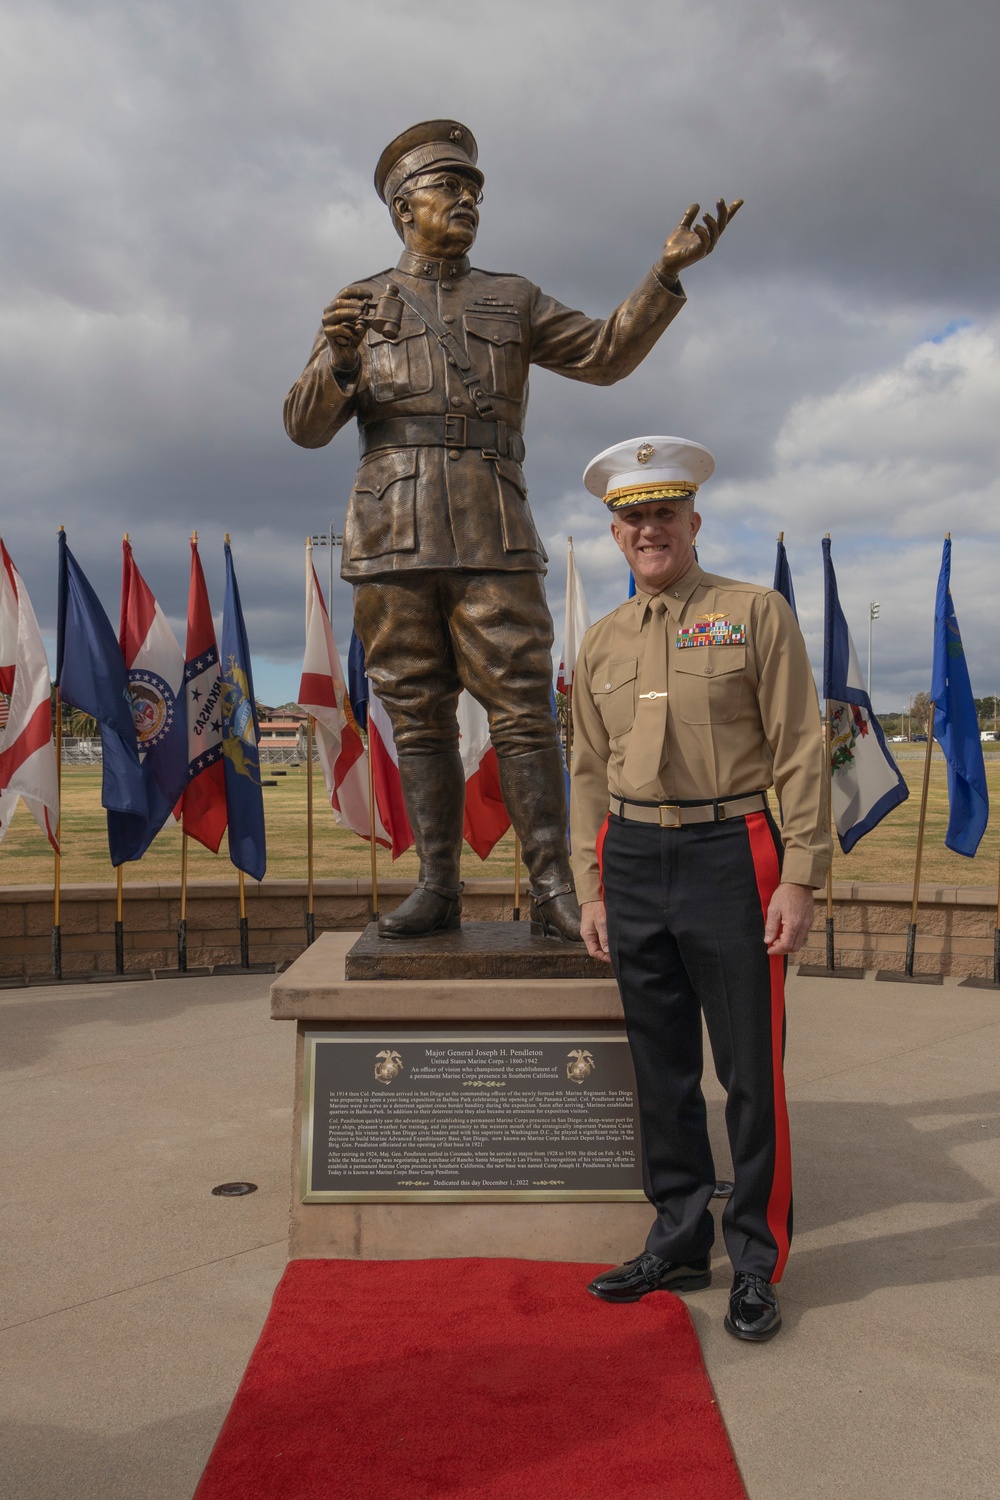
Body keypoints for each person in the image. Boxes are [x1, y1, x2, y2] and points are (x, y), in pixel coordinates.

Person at [284, 119, 742, 942]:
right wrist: (340, 358)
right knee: (417, 714)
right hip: (391, 534)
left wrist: (663, 276)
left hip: (493, 523)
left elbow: (604, 354)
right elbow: (306, 428)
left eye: (474, 192)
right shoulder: (358, 305)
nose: (467, 202)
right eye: (448, 188)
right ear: (402, 207)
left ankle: (554, 887)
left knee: (525, 710)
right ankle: (437, 887)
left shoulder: (513, 298)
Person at [570, 436, 830, 1341]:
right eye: (634, 517)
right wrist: (592, 886)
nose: (650, 530)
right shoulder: (599, 641)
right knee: (662, 1072)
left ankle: (755, 1260)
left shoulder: (753, 613)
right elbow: (588, 774)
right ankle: (680, 1239)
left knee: (751, 1073)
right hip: (634, 860)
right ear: (615, 532)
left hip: (733, 851)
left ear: (694, 521)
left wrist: (799, 876)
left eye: (665, 513)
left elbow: (801, 748)